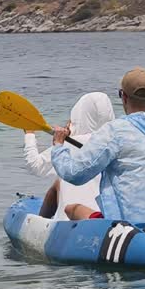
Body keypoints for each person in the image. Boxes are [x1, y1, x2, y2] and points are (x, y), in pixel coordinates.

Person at [50, 67, 145, 225]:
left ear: (123, 96)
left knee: (74, 209)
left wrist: (59, 146)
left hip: (134, 227)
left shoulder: (114, 131)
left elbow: (74, 174)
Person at [23, 92, 114, 220]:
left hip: (70, 219)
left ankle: (41, 221)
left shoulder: (69, 144)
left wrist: (29, 133)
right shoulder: (115, 144)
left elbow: (34, 165)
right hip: (106, 219)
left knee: (58, 182)